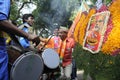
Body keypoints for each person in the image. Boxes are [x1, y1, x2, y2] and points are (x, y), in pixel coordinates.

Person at [0, 0, 40, 80]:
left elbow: (8, 31)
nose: (33, 20)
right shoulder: (24, 28)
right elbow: (1, 20)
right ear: (25, 19)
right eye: (31, 18)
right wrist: (28, 36)